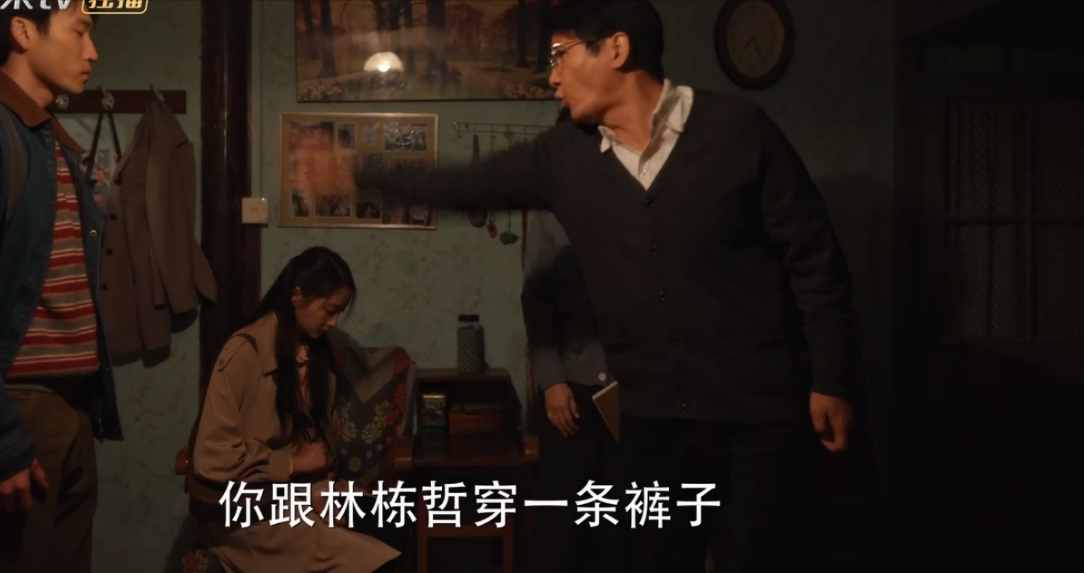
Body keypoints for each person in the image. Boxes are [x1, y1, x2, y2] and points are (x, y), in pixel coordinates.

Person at [361, 1, 860, 571]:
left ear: (617, 49)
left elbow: (816, 262)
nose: (551, 77)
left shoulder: (739, 130)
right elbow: (469, 184)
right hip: (651, 425)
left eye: (559, 55)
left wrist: (832, 378)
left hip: (760, 418)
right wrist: (367, 171)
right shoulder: (565, 158)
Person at [186, 247, 400, 573]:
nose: (334, 322)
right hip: (250, 512)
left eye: (339, 313)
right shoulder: (243, 353)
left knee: (394, 519)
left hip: (299, 497)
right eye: (330, 310)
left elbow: (320, 448)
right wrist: (291, 464)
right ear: (297, 295)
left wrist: (322, 492)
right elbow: (212, 456)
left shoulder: (317, 357)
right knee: (374, 559)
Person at [0, 5, 121, 572]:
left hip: (70, 402)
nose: (92, 52)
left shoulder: (50, 138)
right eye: (80, 31)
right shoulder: (7, 133)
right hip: (22, 404)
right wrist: (5, 437)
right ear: (23, 30)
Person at [522, 207, 617, 573]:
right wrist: (552, 380)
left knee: (622, 521)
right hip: (570, 385)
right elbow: (535, 299)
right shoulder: (549, 210)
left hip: (633, 386)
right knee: (562, 523)